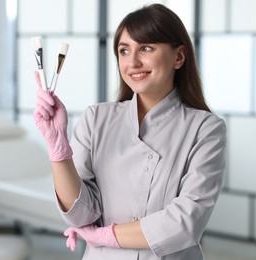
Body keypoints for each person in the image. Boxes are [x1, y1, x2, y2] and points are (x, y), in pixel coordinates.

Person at [33, 3, 226, 260]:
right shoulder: (96, 118)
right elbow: (81, 214)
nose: (133, 62)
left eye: (146, 48)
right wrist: (57, 148)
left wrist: (104, 236)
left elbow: (185, 222)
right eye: (124, 51)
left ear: (178, 57)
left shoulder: (205, 128)